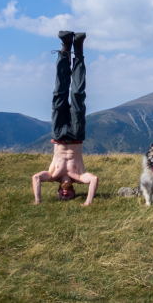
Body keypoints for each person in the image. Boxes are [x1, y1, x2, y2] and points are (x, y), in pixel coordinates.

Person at [32, 31, 98, 206]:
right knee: (77, 93)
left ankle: (65, 47)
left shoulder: (52, 175)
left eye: (63, 195)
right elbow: (94, 180)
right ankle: (78, 47)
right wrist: (88, 202)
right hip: (76, 136)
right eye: (69, 195)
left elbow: (36, 177)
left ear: (58, 191)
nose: (66, 193)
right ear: (74, 192)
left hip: (59, 135)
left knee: (60, 92)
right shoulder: (79, 177)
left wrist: (38, 201)